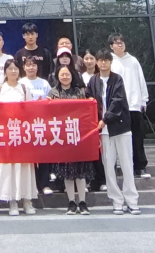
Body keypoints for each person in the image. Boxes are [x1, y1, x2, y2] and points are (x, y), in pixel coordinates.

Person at [86, 49, 139, 214]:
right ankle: (116, 201)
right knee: (108, 167)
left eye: (106, 60)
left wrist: (105, 119)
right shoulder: (93, 81)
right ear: (96, 62)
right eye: (100, 60)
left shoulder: (117, 79)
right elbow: (88, 99)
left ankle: (132, 200)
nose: (103, 63)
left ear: (110, 62)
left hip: (120, 127)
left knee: (127, 165)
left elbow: (118, 101)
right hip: (103, 132)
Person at [0, 59, 38, 215]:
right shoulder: (0, 89)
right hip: (6, 135)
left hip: (22, 134)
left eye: (16, 68)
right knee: (9, 168)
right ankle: (12, 202)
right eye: (10, 68)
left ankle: (27, 201)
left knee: (24, 167)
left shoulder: (24, 88)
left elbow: (31, 111)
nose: (13, 71)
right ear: (5, 71)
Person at [49, 64, 94, 214]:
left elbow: (87, 111)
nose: (65, 77)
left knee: (80, 172)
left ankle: (82, 202)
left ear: (72, 75)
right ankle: (71, 202)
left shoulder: (80, 91)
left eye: (67, 74)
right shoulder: (53, 92)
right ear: (57, 76)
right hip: (62, 137)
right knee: (67, 173)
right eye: (62, 74)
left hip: (79, 136)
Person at [110, 33, 150, 179]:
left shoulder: (133, 61)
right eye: (117, 43)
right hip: (116, 107)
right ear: (111, 46)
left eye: (122, 42)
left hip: (134, 105)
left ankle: (140, 167)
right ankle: (115, 167)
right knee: (115, 139)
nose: (120, 45)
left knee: (137, 137)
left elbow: (141, 80)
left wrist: (144, 100)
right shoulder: (110, 62)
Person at [18, 57, 53, 195]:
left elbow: (50, 101)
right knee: (29, 156)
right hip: (25, 124)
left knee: (43, 155)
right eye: (28, 65)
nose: (31, 68)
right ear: (24, 67)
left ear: (37, 67)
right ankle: (31, 185)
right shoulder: (20, 83)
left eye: (34, 65)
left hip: (41, 123)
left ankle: (44, 184)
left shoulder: (44, 83)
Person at [81, 50, 104, 191]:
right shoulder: (80, 77)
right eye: (86, 58)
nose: (89, 61)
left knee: (101, 151)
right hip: (86, 119)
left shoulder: (101, 77)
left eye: (91, 58)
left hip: (101, 118)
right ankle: (90, 180)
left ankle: (102, 180)